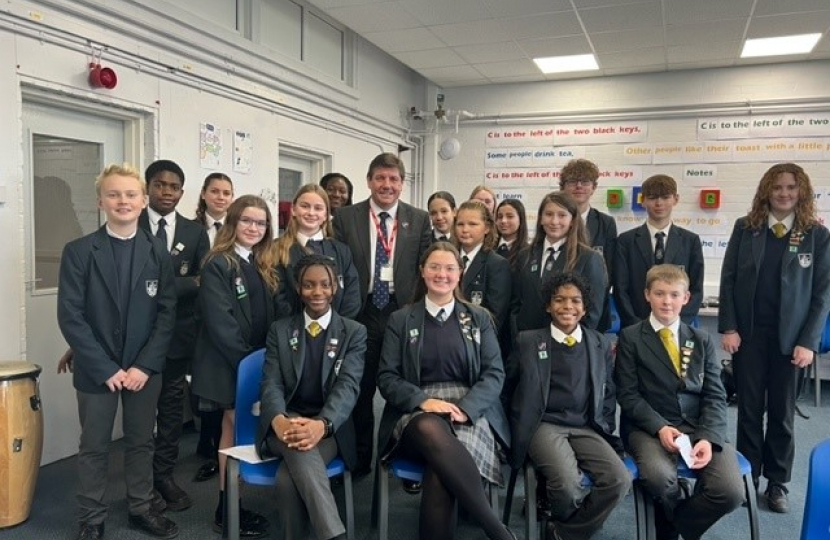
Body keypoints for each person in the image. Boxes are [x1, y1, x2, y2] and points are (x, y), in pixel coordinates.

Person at [57, 164, 178, 540]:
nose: (122, 201)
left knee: (141, 441)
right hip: (98, 370)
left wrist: (143, 365)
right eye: (113, 194)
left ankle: (141, 508)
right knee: (93, 446)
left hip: (145, 369)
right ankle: (92, 518)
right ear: (100, 202)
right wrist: (106, 367)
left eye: (130, 194)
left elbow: (167, 312)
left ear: (143, 202)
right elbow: (71, 316)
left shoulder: (157, 250)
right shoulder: (78, 252)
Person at [376, 242, 513, 540]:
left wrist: (466, 408)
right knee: (429, 427)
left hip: (469, 409)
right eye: (434, 267)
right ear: (422, 272)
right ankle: (495, 528)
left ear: (460, 273)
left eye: (450, 268)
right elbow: (386, 377)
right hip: (416, 411)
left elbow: (494, 373)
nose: (442, 274)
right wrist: (424, 401)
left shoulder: (478, 317)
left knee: (440, 470)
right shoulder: (401, 319)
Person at [718, 162, 830, 513]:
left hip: (792, 341)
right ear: (767, 190)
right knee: (749, 410)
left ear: (802, 193)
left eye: (791, 188)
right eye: (778, 187)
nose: (784, 193)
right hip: (749, 337)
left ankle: (777, 483)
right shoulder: (745, 228)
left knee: (782, 413)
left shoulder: (816, 234)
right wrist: (730, 327)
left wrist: (809, 341)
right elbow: (729, 278)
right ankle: (747, 477)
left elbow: (823, 293)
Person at [616, 265, 744, 540]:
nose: (667, 301)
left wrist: (708, 438)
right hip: (649, 427)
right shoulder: (630, 337)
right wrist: (660, 427)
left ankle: (671, 525)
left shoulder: (702, 339)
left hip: (699, 426)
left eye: (674, 294)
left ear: (686, 298)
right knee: (659, 478)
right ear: (647, 295)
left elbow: (715, 395)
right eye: (660, 294)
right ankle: (671, 514)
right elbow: (627, 395)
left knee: (731, 491)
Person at [332, 152, 431, 477]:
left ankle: (401, 454)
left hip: (401, 314)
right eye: (380, 178)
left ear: (402, 183)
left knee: (402, 385)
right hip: (359, 314)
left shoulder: (418, 219)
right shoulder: (345, 217)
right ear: (369, 181)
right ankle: (359, 460)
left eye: (393, 179)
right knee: (358, 389)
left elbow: (423, 269)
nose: (386, 185)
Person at [509, 272, 629, 540]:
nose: (567, 306)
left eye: (575, 301)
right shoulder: (527, 341)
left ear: (585, 308)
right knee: (567, 485)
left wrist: (605, 425)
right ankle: (569, 524)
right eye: (559, 300)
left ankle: (564, 531)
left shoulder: (599, 343)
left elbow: (608, 392)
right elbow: (508, 388)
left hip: (586, 425)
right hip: (544, 425)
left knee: (619, 480)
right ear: (548, 306)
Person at [258, 254, 366, 540]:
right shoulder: (280, 331)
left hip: (328, 428)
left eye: (324, 285)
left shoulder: (354, 332)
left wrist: (323, 424)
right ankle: (335, 536)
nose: (316, 292)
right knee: (296, 445)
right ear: (298, 288)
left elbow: (348, 386)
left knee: (286, 480)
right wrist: (280, 421)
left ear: (335, 287)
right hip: (285, 422)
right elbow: (271, 384)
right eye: (308, 285)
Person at [191, 195, 278, 538]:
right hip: (231, 363)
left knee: (243, 429)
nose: (254, 228)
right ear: (233, 223)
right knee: (232, 426)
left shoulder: (261, 261)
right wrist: (249, 367)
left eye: (261, 223)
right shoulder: (218, 264)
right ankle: (227, 508)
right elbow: (221, 324)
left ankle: (234, 503)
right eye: (247, 221)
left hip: (255, 361)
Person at [137, 159, 210, 513]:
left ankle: (163, 476)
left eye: (174, 187)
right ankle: (139, 485)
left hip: (178, 337)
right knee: (139, 413)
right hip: (135, 339)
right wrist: (181, 284)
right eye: (160, 185)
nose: (167, 192)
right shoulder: (129, 223)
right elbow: (128, 285)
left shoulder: (195, 232)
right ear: (148, 187)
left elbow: (203, 282)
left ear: (182, 192)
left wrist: (158, 286)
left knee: (169, 411)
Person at [614, 174, 704, 328]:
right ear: (643, 200)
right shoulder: (626, 241)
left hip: (677, 329)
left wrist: (676, 325)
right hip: (635, 327)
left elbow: (696, 289)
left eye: (665, 197)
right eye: (652, 197)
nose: (659, 203)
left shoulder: (691, 241)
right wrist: (636, 326)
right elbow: (620, 289)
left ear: (676, 199)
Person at [511, 191, 607, 334]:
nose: (554, 221)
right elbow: (516, 304)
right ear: (541, 219)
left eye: (562, 215)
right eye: (549, 214)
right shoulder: (525, 255)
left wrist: (575, 343)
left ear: (572, 221)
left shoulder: (589, 258)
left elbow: (593, 312)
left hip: (569, 346)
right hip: (528, 342)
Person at [192, 172, 235, 483]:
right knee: (205, 390)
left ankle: (216, 448)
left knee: (223, 392)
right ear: (204, 194)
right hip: (195, 319)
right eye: (215, 191)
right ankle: (206, 447)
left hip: (225, 317)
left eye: (226, 192)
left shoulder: (236, 230)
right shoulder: (192, 230)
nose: (221, 197)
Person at [274, 184, 360, 320]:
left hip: (336, 332)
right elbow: (278, 296)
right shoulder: (276, 249)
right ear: (294, 209)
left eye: (318, 208)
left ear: (326, 214)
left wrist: (337, 326)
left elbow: (352, 295)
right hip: (292, 332)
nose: (311, 213)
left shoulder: (341, 250)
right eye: (305, 206)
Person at [559, 159, 617, 332]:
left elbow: (610, 271)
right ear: (563, 187)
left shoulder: (606, 223)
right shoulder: (556, 222)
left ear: (593, 187)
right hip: (560, 310)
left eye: (585, 182)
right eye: (572, 182)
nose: (579, 186)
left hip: (595, 312)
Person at [455, 200, 511, 335]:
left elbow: (495, 317)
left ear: (486, 228)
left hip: (477, 340)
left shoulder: (496, 264)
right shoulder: (448, 258)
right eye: (460, 224)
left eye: (473, 224)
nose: (465, 229)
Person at [494, 199, 529, 268]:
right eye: (500, 217)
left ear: (520, 219)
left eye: (510, 216)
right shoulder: (488, 248)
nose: (503, 221)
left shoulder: (528, 252)